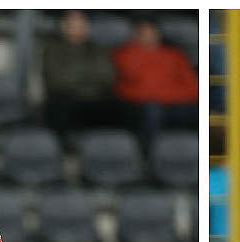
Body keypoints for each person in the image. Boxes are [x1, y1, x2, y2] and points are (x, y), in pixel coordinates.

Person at [112, 15, 197, 145]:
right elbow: (127, 89)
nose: (148, 35)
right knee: (152, 111)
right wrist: (164, 95)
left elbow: (193, 88)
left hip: (175, 104)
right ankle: (149, 158)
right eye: (143, 32)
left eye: (151, 32)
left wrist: (163, 96)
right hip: (141, 106)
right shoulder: (124, 55)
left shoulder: (174, 55)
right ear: (135, 35)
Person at [42, 10, 121, 138]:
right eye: (73, 25)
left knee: (120, 105)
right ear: (64, 27)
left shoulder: (98, 49)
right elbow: (56, 80)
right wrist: (89, 76)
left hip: (94, 98)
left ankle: (109, 150)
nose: (77, 29)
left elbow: (108, 77)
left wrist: (76, 75)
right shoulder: (53, 50)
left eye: (81, 25)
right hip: (68, 99)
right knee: (57, 105)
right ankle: (64, 150)